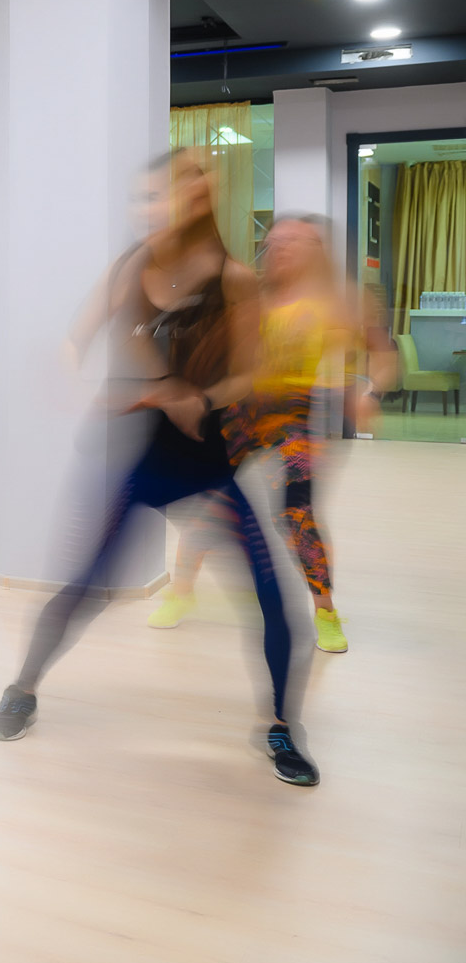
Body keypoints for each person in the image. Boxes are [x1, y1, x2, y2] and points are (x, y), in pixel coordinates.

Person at [0, 150, 317, 788]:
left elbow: (249, 374)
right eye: (143, 198)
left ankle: (281, 725)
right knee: (83, 586)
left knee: (274, 600)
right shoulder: (131, 267)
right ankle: (21, 688)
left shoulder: (233, 279)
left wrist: (195, 397)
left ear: (196, 200)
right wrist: (72, 369)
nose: (148, 209)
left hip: (208, 464)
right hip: (140, 462)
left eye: (161, 195)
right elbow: (79, 337)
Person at [149, 214, 391, 655]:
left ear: (315, 250)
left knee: (297, 514)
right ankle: (181, 590)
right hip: (240, 412)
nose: (279, 250)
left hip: (293, 416)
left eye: (292, 242)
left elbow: (383, 353)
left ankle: (325, 612)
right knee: (209, 499)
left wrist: (369, 391)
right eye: (274, 242)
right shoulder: (249, 294)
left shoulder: (340, 300)